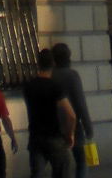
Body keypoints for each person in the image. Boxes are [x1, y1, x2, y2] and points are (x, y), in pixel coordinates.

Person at [23, 48, 75, 178]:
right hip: (54, 136)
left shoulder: (28, 86)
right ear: (53, 64)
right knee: (63, 169)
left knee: (37, 173)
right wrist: (70, 135)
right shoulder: (55, 86)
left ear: (38, 64)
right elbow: (71, 115)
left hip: (35, 137)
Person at [50, 43, 93, 176]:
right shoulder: (72, 75)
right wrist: (88, 127)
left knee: (58, 165)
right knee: (83, 160)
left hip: (54, 126)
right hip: (73, 126)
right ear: (69, 57)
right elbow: (80, 103)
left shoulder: (50, 76)